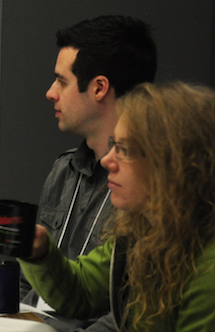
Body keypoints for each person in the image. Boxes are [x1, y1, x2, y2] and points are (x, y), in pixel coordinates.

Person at [0, 15, 157, 331]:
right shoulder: (65, 169)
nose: (50, 92)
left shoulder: (151, 185)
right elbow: (27, 290)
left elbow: (126, 314)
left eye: (61, 81)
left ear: (99, 88)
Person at [16, 81, 215, 331]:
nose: (108, 160)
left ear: (173, 165)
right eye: (113, 146)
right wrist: (41, 253)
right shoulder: (145, 231)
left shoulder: (209, 268)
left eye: (125, 150)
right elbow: (83, 293)